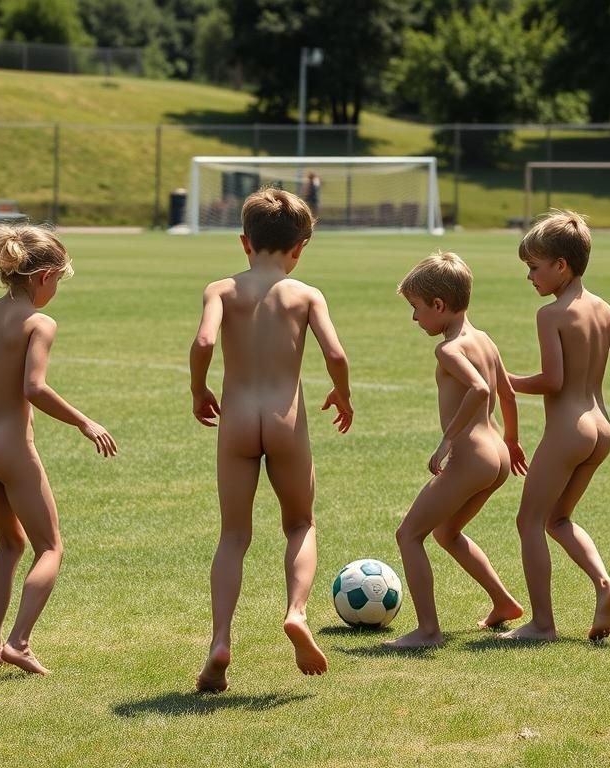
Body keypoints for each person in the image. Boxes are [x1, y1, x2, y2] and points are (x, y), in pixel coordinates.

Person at [190, 187, 353, 692]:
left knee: (233, 536)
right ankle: (296, 612)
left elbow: (205, 340)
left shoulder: (222, 290)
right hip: (286, 420)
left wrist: (199, 389)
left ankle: (220, 641)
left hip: (238, 418)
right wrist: (343, 394)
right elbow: (336, 354)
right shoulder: (306, 295)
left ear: (245, 241)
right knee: (301, 523)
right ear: (300, 247)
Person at [0, 223, 118, 675]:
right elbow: (34, 388)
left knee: (8, 544)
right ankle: (18, 642)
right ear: (43, 276)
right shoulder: (39, 323)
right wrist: (85, 421)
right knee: (50, 547)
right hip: (11, 448)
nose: (55, 291)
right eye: (58, 281)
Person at [502, 210, 610, 643]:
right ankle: (605, 585)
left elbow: (553, 381)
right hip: (600, 428)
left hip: (568, 430)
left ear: (561, 265)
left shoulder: (552, 315)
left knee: (529, 522)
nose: (530, 277)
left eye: (534, 267)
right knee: (558, 518)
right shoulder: (604, 308)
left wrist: (503, 379)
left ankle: (542, 624)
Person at [385, 251, 527, 649]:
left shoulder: (449, 350)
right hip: (496, 454)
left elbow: (479, 389)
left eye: (416, 308)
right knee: (446, 532)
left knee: (408, 534)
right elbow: (507, 394)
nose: (414, 318)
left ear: (438, 305)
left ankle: (428, 631)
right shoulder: (485, 340)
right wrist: (512, 441)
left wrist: (448, 439)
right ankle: (504, 602)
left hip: (471, 456)